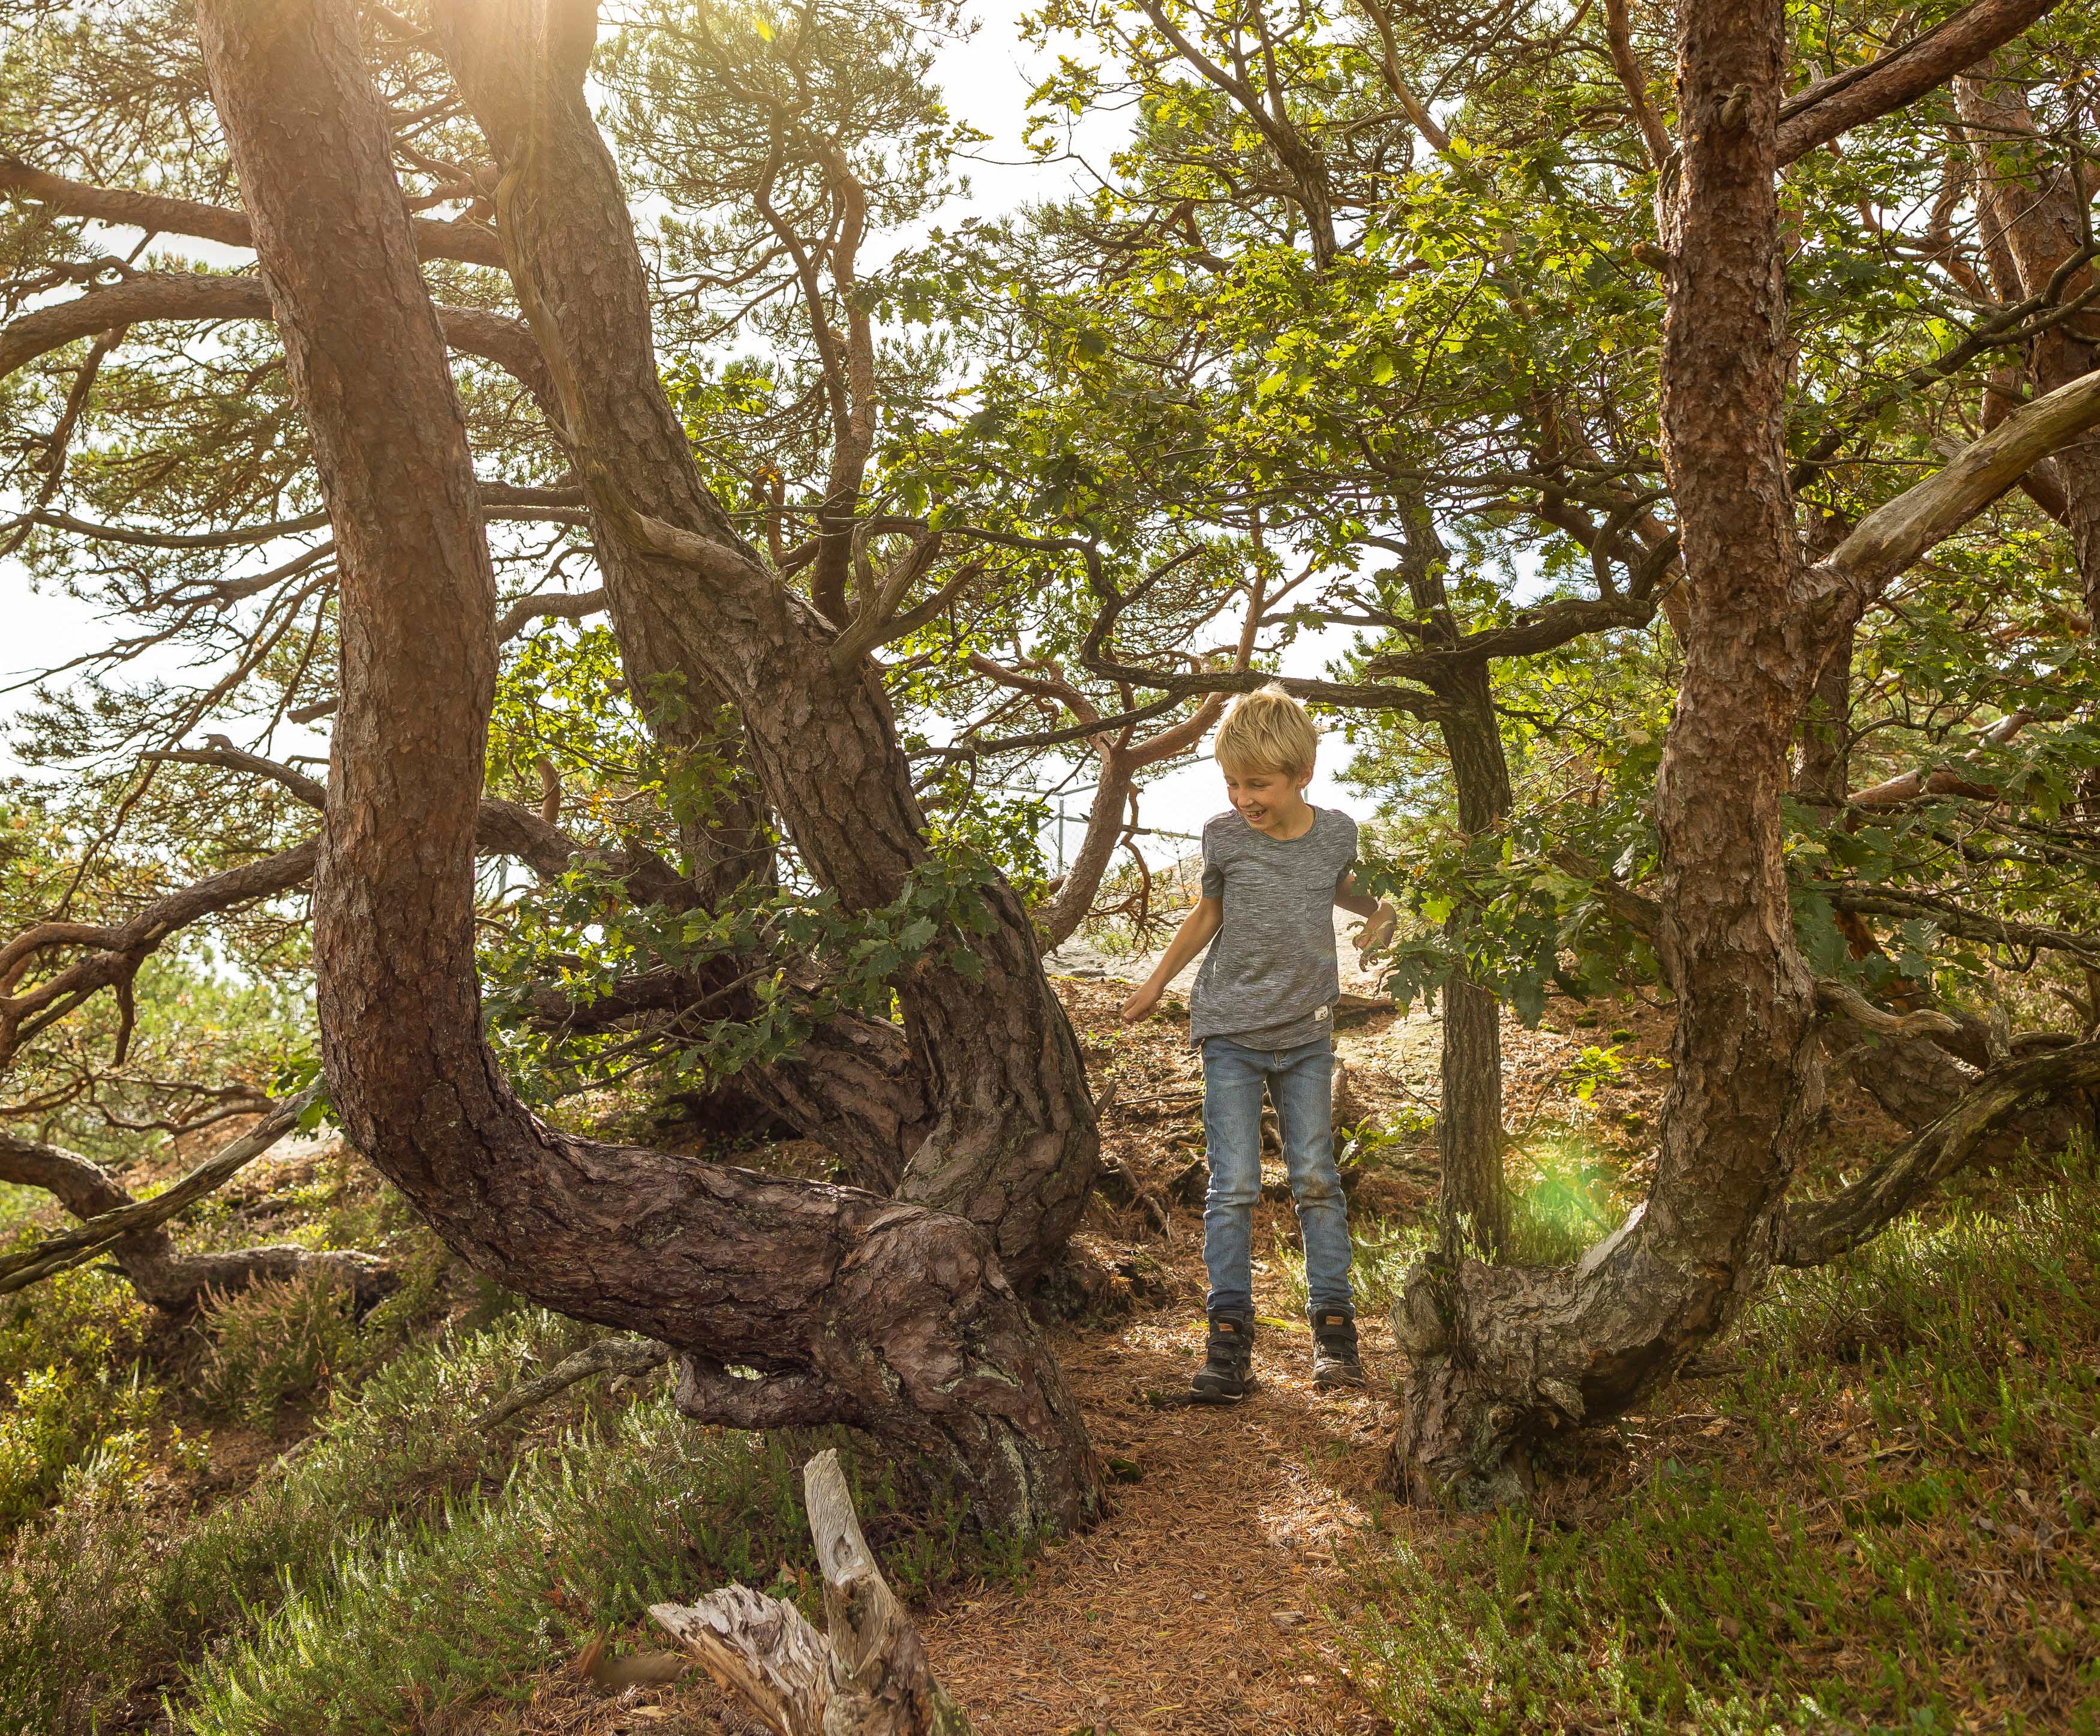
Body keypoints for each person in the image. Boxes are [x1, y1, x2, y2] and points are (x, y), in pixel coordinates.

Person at [1120, 683, 1395, 1403]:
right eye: (1232, 783)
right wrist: (1155, 983)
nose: (1243, 798)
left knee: (1316, 1179)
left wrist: (1382, 913)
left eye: (1257, 784)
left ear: (1302, 775)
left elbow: (1347, 890)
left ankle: (1334, 1333)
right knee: (1233, 1185)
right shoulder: (1224, 835)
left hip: (1305, 1034)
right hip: (1231, 1034)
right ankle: (1228, 1340)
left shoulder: (1334, 834)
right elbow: (1206, 913)